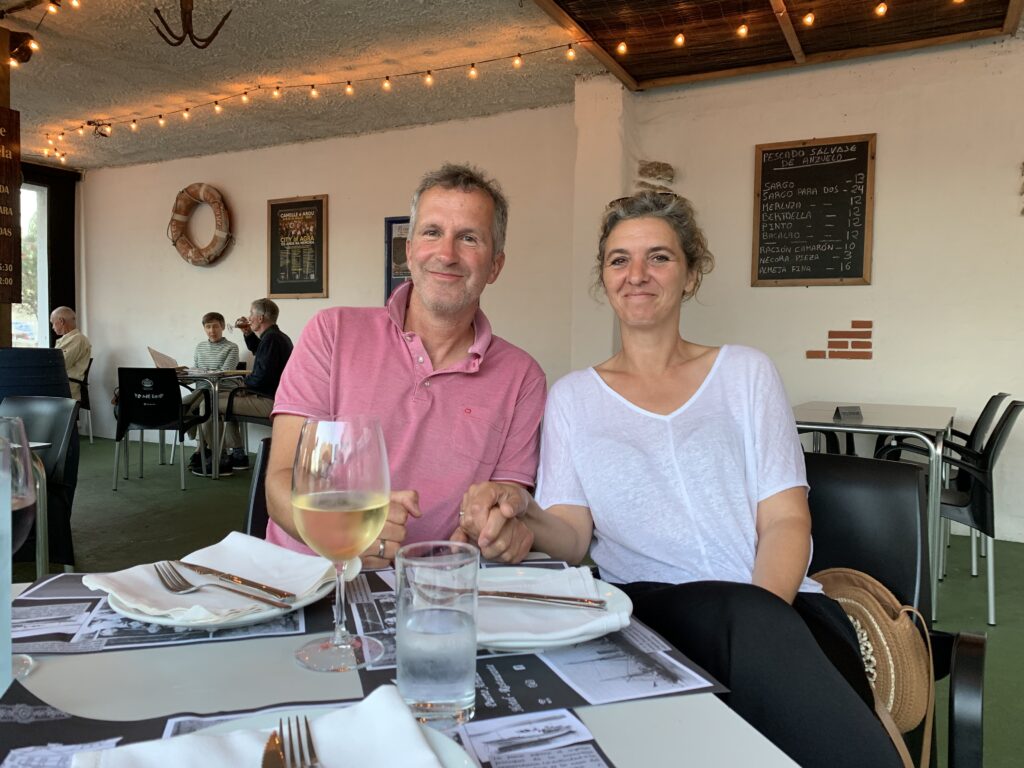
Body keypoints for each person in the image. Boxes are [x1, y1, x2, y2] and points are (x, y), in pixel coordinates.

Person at [456, 191, 902, 768]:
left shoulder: (746, 373)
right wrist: (523, 507)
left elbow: (787, 520)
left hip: (777, 606)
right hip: (653, 615)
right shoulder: (572, 398)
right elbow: (570, 535)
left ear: (691, 275)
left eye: (659, 257)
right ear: (604, 278)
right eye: (619, 260)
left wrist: (762, 616)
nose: (637, 274)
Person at [265, 163, 546, 567]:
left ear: (495, 266)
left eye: (469, 238)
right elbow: (279, 484)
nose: (446, 254)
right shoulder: (331, 332)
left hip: (434, 587)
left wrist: (499, 529)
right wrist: (343, 533)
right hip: (308, 579)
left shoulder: (523, 377)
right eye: (432, 232)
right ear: (409, 251)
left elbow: (505, 501)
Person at [193, 298, 293, 476]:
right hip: (272, 397)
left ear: (260, 318)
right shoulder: (274, 337)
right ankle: (231, 455)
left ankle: (219, 459)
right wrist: (247, 331)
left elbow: (262, 378)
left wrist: (243, 384)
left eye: (251, 314)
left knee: (208, 404)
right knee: (215, 399)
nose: (249, 317)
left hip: (268, 400)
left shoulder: (271, 339)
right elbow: (259, 351)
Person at [184, 312, 240, 471]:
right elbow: (196, 371)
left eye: (215, 326)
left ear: (222, 327)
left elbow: (223, 373)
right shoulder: (200, 347)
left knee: (204, 407)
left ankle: (210, 451)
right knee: (183, 404)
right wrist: (185, 374)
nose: (212, 330)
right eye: (208, 327)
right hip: (203, 389)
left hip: (222, 389)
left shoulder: (231, 347)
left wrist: (202, 372)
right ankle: (203, 447)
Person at [50, 306, 91, 401]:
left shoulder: (77, 339)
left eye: (53, 323)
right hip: (59, 385)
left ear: (61, 321)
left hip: (66, 388)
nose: (52, 327)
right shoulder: (68, 339)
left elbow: (58, 365)